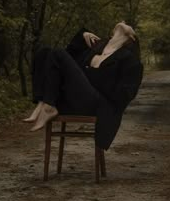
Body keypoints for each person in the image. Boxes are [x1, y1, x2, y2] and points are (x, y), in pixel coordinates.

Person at [23, 21, 143, 150]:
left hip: (97, 105)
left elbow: (125, 95)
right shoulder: (95, 48)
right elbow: (64, 60)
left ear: (132, 38)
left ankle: (47, 105)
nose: (123, 22)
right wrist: (83, 36)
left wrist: (96, 76)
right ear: (111, 33)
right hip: (74, 100)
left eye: (127, 24)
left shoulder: (130, 61)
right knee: (44, 52)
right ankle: (44, 102)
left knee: (57, 52)